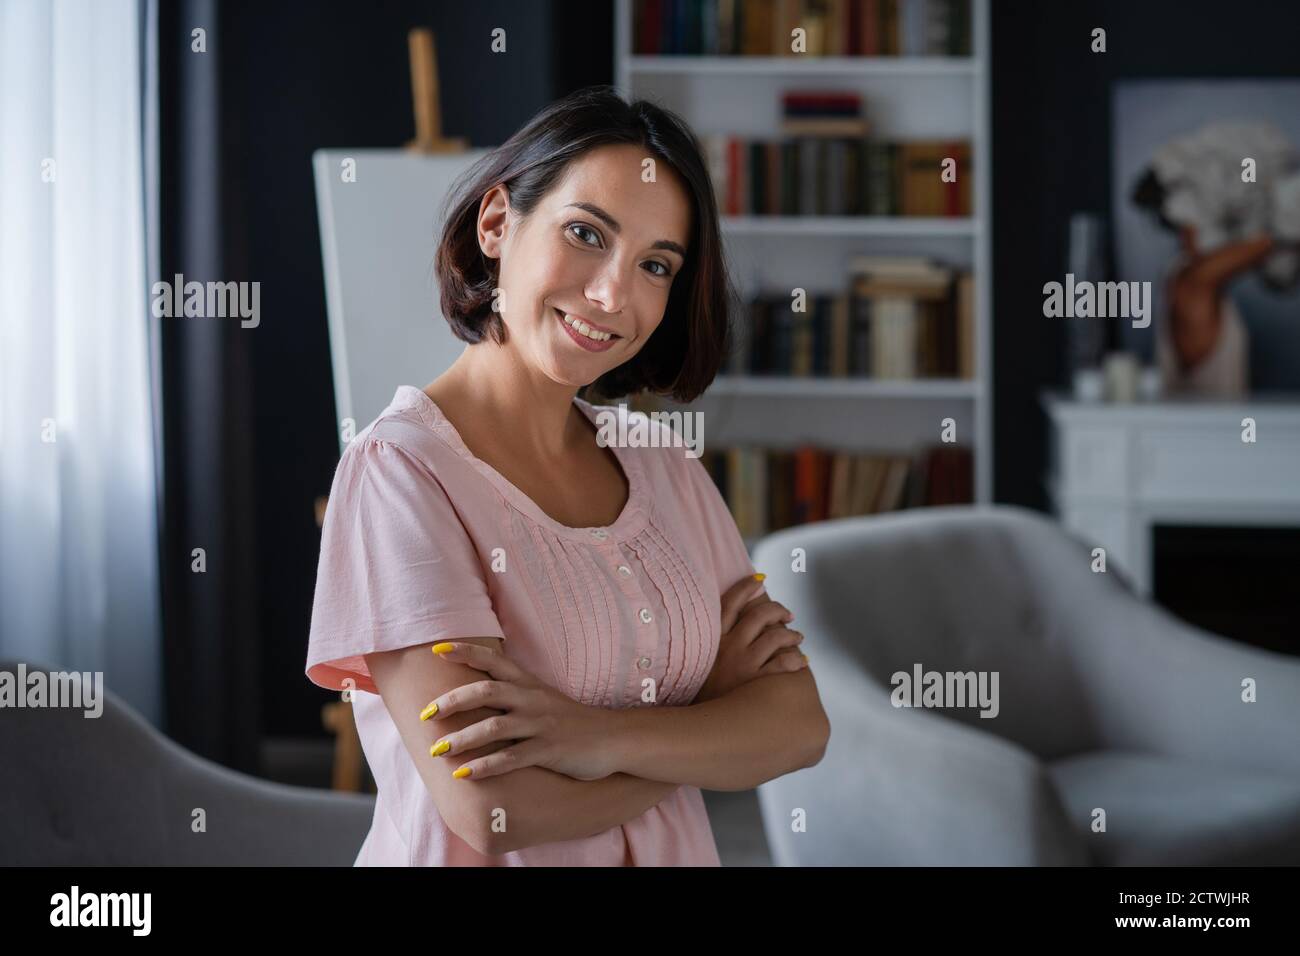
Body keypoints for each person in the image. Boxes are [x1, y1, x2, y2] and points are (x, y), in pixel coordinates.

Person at [304, 86, 830, 866]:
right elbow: (492, 807)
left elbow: (797, 726)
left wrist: (595, 737)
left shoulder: (665, 466)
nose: (614, 293)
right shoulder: (402, 476)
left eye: (655, 264)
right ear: (496, 224)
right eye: (586, 233)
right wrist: (704, 727)